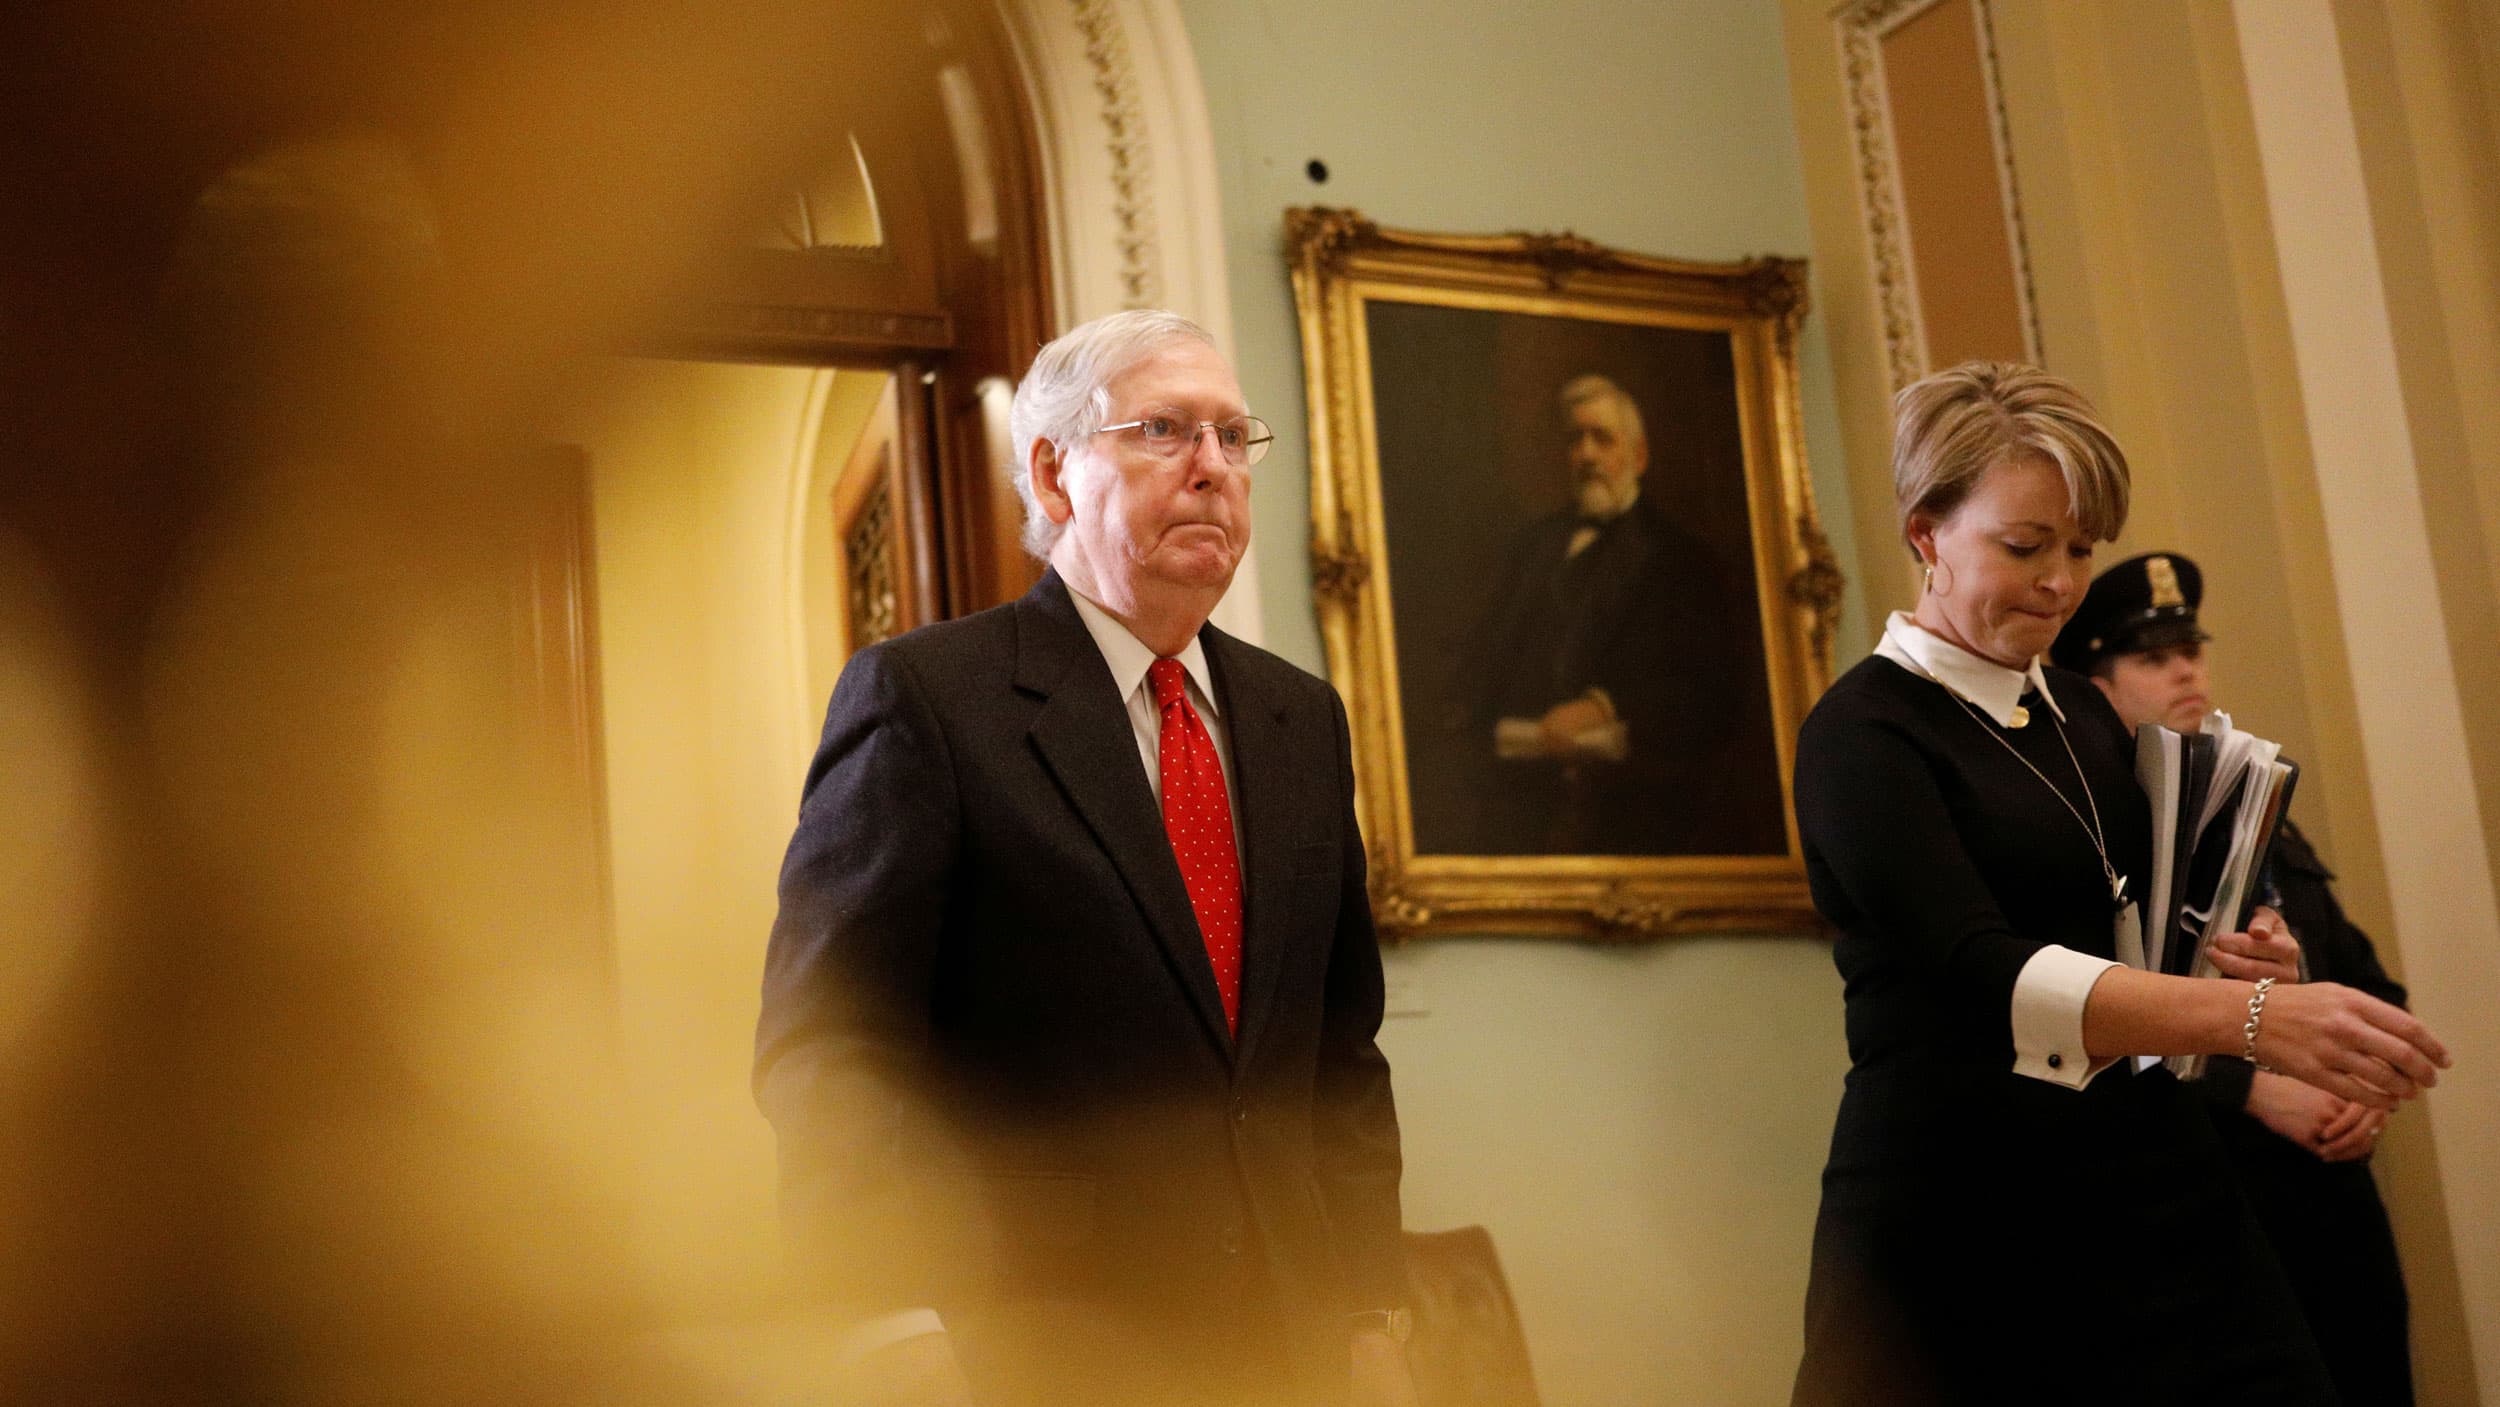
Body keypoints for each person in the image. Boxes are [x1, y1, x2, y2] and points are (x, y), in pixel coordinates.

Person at [753, 310, 1416, 1407]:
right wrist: (891, 1320)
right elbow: (831, 1043)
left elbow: (1339, 1055)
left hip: (1289, 1346)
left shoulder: (1301, 716)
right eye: (1164, 431)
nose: (1212, 469)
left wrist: (1369, 1311)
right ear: (1054, 476)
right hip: (1029, 1342)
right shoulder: (928, 698)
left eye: (1231, 438)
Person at [1786, 361, 2451, 1404]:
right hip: (1959, 1205)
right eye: (2023, 546)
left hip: (2146, 1181)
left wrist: (2245, 955)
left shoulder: (2083, 716)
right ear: (1925, 533)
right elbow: (1979, 972)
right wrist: (2249, 1017)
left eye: (2078, 547)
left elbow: (2142, 939)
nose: (2060, 580)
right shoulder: (1861, 734)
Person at [2055, 551, 2417, 1405]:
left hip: (2331, 1194)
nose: (2186, 668)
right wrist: (2250, 1092)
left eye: (2191, 648)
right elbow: (2089, 1020)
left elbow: (2366, 985)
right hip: (2208, 1192)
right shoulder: (2103, 832)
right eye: (2151, 656)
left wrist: (2371, 1083)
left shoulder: (2254, 814)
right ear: (2095, 685)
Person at [1443, 372, 1784, 856]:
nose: (1586, 455)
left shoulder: (1681, 558)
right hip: (1524, 807)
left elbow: (1709, 690)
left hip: (1636, 811)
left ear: (1638, 457)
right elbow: (1487, 662)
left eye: (1601, 438)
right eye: (1575, 439)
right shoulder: (1531, 547)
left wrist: (1600, 706)